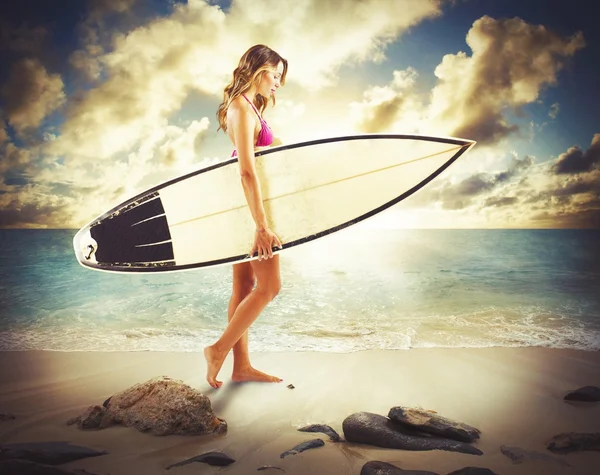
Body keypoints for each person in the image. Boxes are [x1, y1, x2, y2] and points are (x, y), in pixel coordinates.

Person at [203, 45, 288, 389]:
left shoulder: (251, 106)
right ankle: (218, 350)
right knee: (270, 286)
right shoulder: (241, 108)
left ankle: (241, 367)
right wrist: (262, 227)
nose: (278, 84)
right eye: (275, 75)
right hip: (250, 207)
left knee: (244, 285)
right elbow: (246, 172)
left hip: (245, 206)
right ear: (258, 70)